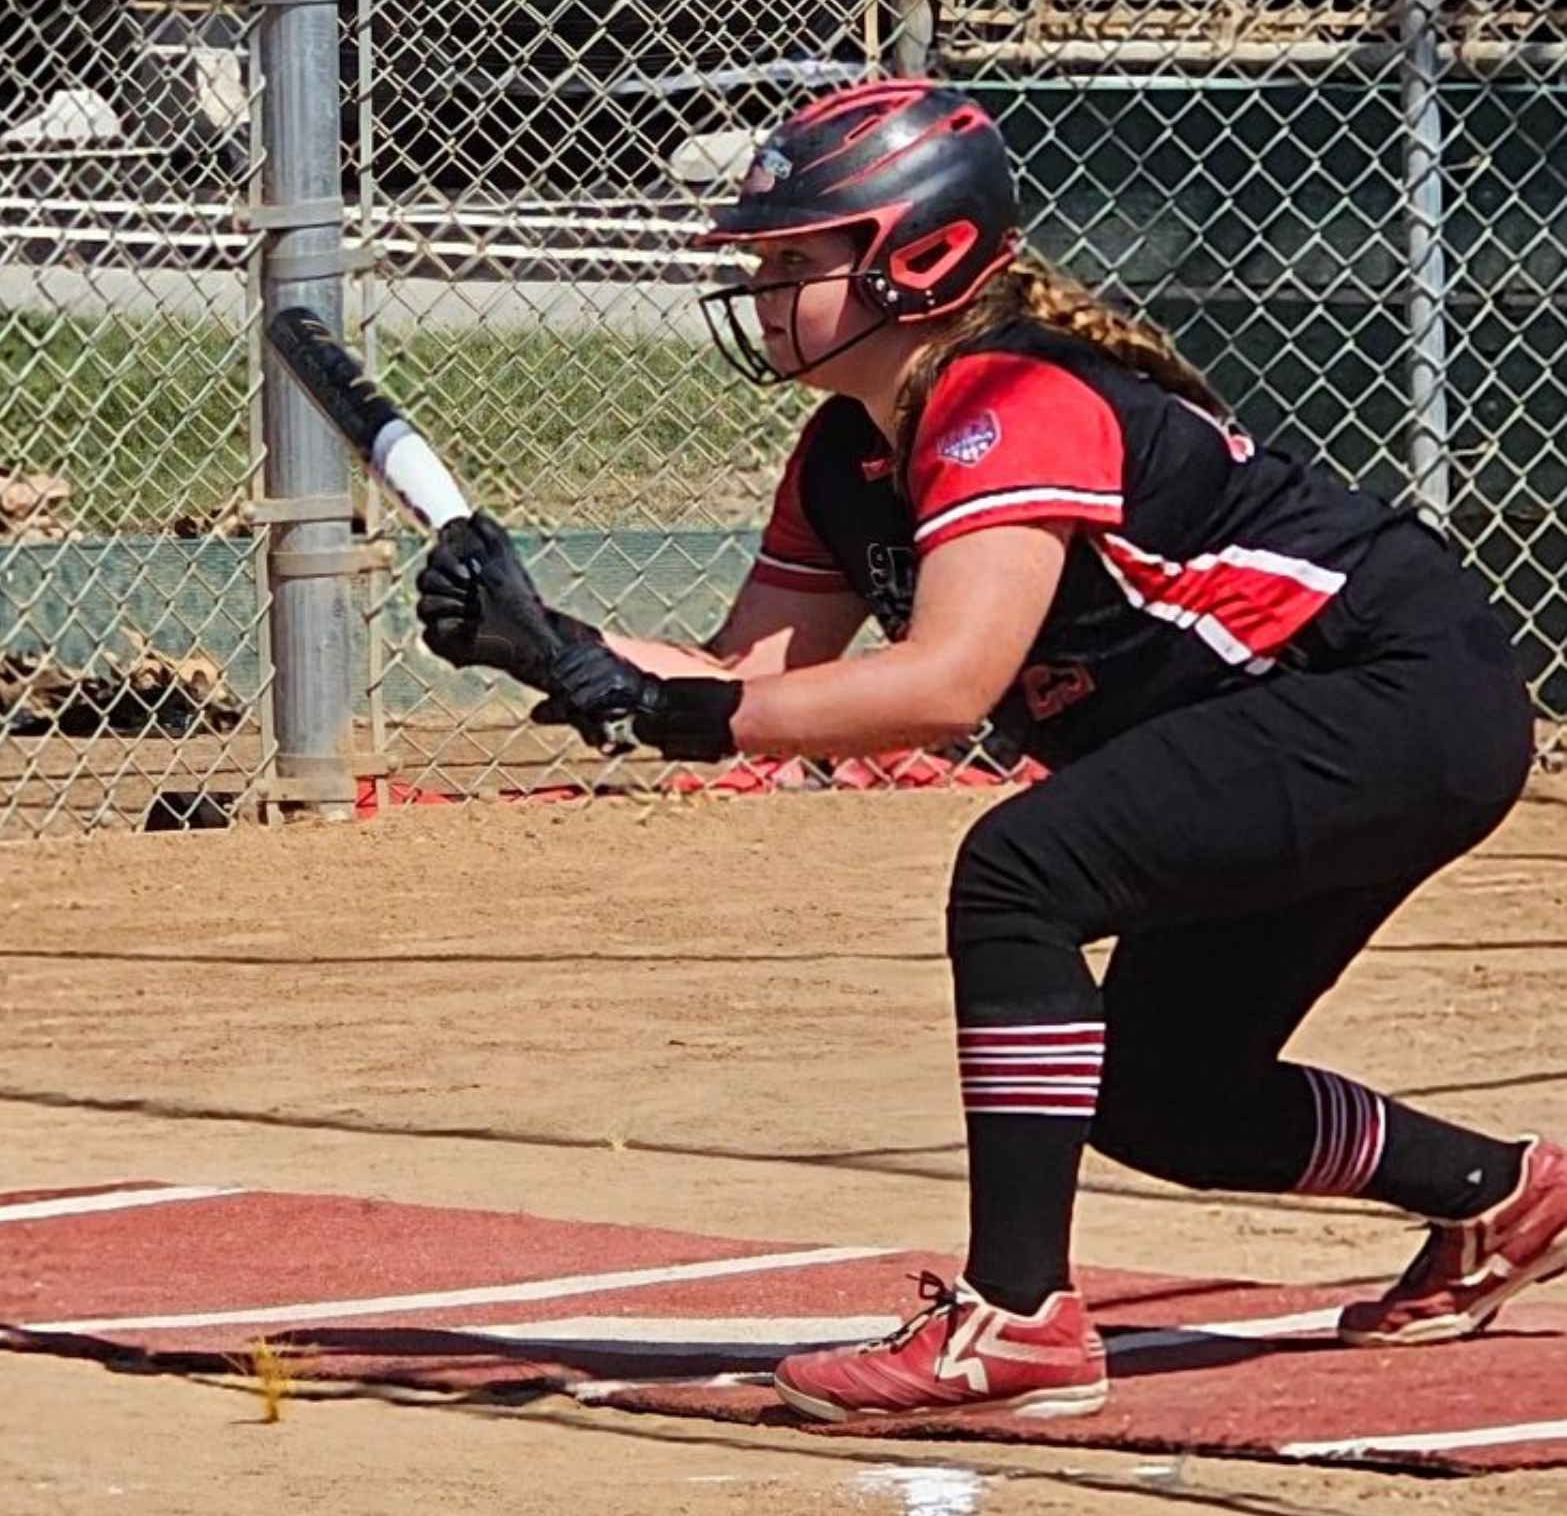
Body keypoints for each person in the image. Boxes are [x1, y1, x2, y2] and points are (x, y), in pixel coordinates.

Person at [414, 78, 1567, 1423]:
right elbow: (749, 683)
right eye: (767, 264)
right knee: (1158, 1095)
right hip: (1311, 716)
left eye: (801, 258)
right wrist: (549, 644)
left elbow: (939, 683)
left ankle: (1014, 1314)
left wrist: (672, 707)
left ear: (923, 254)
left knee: (1019, 873)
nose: (770, 289)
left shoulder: (1007, 399)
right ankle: (1497, 1189)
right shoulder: (847, 456)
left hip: (1385, 693)